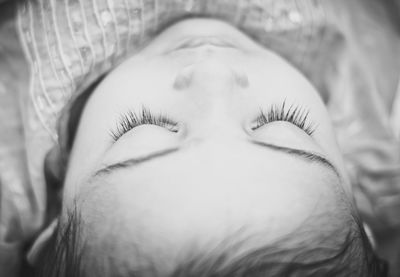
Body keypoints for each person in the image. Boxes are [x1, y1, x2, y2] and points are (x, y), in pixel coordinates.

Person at [1, 0, 399, 276]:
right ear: (356, 203)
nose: (213, 71)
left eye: (143, 128)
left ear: (53, 227)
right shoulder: (377, 110)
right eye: (283, 122)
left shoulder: (12, 138)